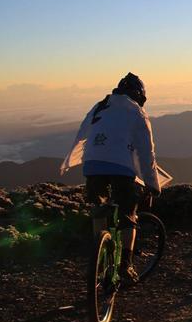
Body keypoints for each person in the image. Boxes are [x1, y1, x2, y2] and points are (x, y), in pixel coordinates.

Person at [61, 72, 168, 283]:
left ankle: (98, 255)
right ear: (139, 96)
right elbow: (146, 154)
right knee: (128, 215)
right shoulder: (137, 113)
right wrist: (153, 185)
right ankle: (125, 266)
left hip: (92, 164)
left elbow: (83, 133)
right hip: (121, 168)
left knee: (98, 209)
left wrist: (74, 160)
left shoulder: (100, 105)